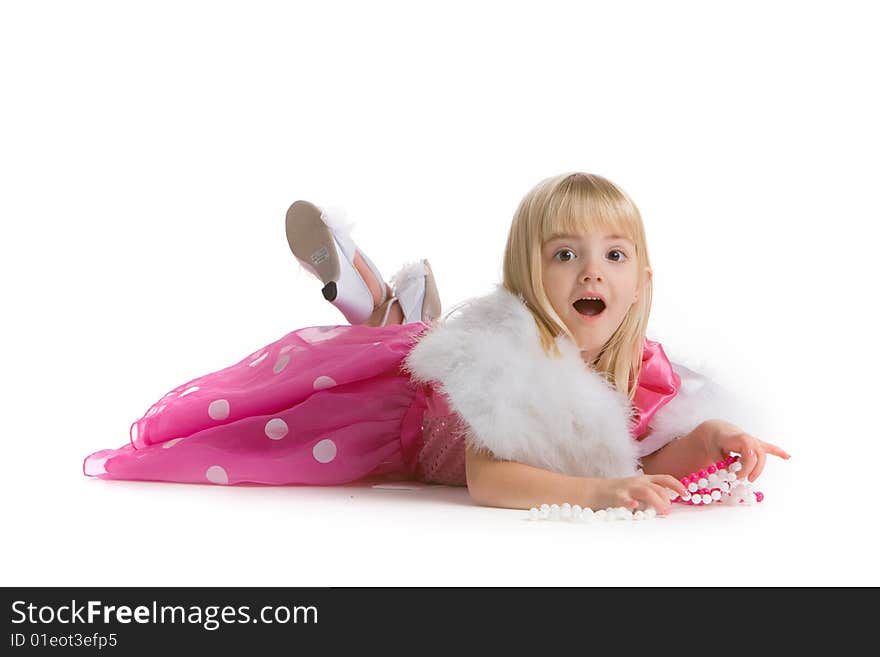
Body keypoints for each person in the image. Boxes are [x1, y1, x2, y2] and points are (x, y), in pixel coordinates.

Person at [83, 172, 789, 514]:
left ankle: (402, 304)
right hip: (408, 410)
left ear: (641, 282)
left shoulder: (645, 372)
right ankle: (361, 280)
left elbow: (645, 456)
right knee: (382, 350)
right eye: (565, 254)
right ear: (526, 274)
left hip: (436, 359)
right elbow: (490, 477)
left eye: (614, 256)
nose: (592, 271)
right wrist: (598, 493)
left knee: (415, 334)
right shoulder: (504, 359)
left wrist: (713, 438)